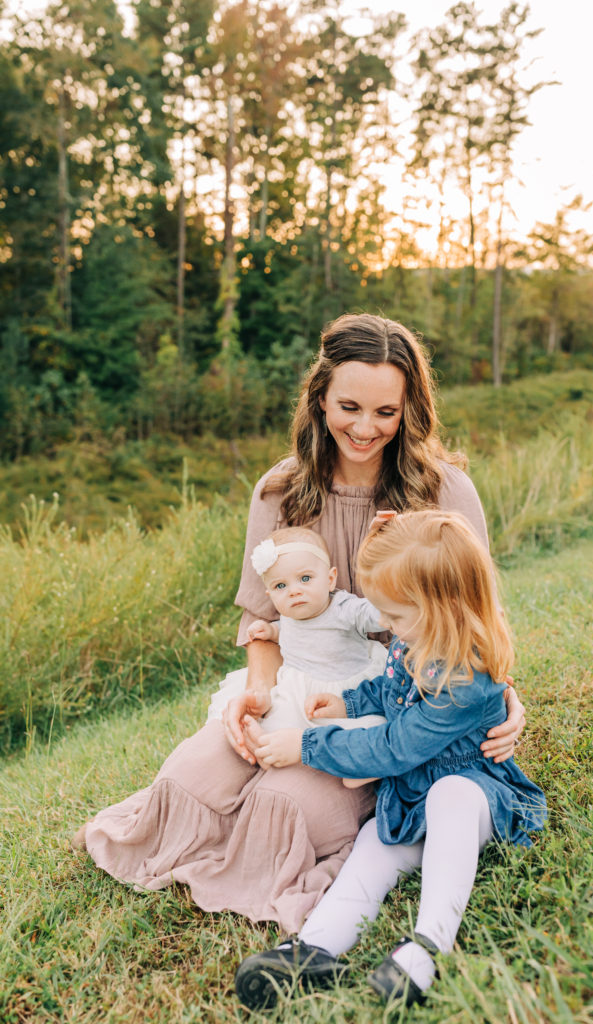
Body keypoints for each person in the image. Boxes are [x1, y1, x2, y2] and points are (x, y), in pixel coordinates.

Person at [73, 312, 526, 933]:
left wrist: (502, 701)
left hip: (396, 702)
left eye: (386, 413)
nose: (366, 428)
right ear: (319, 397)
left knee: (281, 803)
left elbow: (472, 621)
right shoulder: (278, 491)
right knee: (189, 779)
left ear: (409, 410)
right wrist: (258, 694)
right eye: (349, 407)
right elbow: (263, 626)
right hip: (296, 683)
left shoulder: (446, 493)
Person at [234, 510, 547, 1010]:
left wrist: (308, 745)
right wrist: (351, 703)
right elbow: (392, 686)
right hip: (412, 798)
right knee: (374, 845)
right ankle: (315, 946)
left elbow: (395, 747)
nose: (388, 627)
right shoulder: (415, 638)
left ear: (443, 608)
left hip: (475, 796)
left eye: (397, 617)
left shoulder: (467, 679)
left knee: (450, 796)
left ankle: (428, 945)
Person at [240, 526, 387, 735]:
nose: (294, 591)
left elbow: (373, 615)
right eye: (280, 586)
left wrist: (389, 610)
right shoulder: (290, 615)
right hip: (299, 687)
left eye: (305, 578)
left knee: (370, 726)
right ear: (270, 594)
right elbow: (293, 634)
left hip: (348, 687)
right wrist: (272, 631)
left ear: (330, 579)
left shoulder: (343, 608)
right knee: (280, 723)